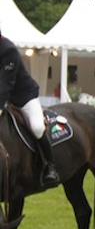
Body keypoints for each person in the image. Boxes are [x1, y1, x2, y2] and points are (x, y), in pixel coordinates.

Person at [0, 31, 61, 187]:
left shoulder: (8, 50)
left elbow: (6, 84)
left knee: (37, 127)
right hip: (5, 97)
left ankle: (49, 166)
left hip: (23, 97)